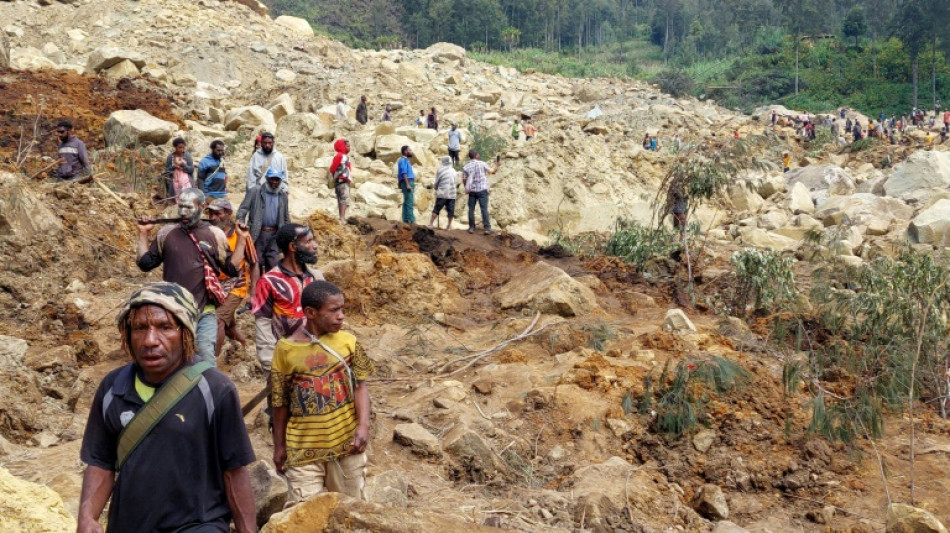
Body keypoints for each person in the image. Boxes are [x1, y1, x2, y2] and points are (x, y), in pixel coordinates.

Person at [77, 283, 257, 533]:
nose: (150, 340)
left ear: (185, 333)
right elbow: (101, 462)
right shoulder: (112, 388)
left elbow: (234, 471)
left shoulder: (215, 389)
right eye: (140, 328)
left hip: (198, 525)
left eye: (165, 327)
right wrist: (87, 518)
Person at [272, 280, 375, 504]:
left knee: (351, 513)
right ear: (310, 312)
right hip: (303, 451)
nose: (341, 316)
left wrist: (364, 426)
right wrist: (279, 446)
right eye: (334, 310)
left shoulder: (349, 342)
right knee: (303, 516)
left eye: (342, 309)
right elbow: (279, 401)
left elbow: (360, 386)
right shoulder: (285, 350)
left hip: (346, 446)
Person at [136, 188, 249, 365]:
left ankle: (208, 392)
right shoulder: (166, 233)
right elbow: (145, 263)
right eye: (181, 207)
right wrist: (143, 233)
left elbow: (231, 268)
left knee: (205, 358)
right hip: (174, 313)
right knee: (175, 361)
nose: (183, 212)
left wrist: (242, 239)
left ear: (202, 207)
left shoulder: (215, 234)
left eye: (188, 207)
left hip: (204, 312)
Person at [251, 223, 323, 374]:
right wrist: (270, 365)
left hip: (318, 359)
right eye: (308, 241)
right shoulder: (268, 281)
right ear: (293, 247)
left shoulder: (317, 278)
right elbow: (263, 324)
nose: (315, 246)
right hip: (286, 362)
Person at [207, 199, 258, 359]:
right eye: (211, 213)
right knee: (229, 327)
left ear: (228, 214)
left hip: (237, 285)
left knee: (218, 321)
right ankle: (246, 348)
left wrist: (253, 292)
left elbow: (254, 263)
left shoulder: (240, 235)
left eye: (218, 213)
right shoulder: (208, 233)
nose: (213, 217)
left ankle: (211, 362)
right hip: (215, 285)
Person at [237, 168, 291, 273]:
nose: (274, 182)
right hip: (258, 233)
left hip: (275, 234)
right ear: (267, 178)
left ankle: (269, 286)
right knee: (256, 262)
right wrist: (241, 224)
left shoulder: (283, 196)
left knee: (273, 263)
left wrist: (287, 234)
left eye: (277, 180)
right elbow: (243, 210)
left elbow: (286, 217)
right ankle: (257, 287)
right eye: (272, 179)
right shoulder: (255, 191)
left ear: (280, 181)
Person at [461, 150, 498, 235]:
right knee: (484, 209)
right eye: (478, 154)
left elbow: (464, 179)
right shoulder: (482, 164)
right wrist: (497, 166)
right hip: (482, 190)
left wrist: (467, 188)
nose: (479, 155)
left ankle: (471, 227)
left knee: (471, 209)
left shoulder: (466, 167)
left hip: (472, 191)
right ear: (476, 155)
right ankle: (487, 228)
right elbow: (493, 172)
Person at [429, 156, 457, 230]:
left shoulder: (440, 170)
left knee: (437, 209)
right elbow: (455, 181)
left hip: (442, 193)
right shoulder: (454, 171)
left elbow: (437, 181)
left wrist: (435, 187)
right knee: (451, 210)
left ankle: (431, 224)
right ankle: (449, 225)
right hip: (452, 193)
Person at [329, 138, 353, 224]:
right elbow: (332, 168)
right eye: (348, 146)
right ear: (342, 146)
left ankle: (341, 217)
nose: (349, 147)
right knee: (344, 199)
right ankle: (342, 218)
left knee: (341, 199)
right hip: (342, 181)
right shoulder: (340, 156)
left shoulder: (344, 156)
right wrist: (338, 175)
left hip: (342, 181)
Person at [164, 138, 194, 203]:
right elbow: (166, 170)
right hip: (175, 182)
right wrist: (173, 167)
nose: (182, 149)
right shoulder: (170, 157)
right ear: (175, 147)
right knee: (178, 199)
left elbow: (191, 170)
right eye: (180, 147)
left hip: (187, 182)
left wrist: (182, 164)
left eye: (183, 148)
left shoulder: (187, 156)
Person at [397, 145, 416, 224]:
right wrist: (407, 184)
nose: (411, 151)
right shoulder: (403, 160)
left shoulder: (405, 160)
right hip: (407, 182)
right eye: (410, 150)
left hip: (406, 182)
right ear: (405, 151)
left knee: (406, 201)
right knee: (409, 201)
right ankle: (411, 220)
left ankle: (405, 220)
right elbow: (404, 172)